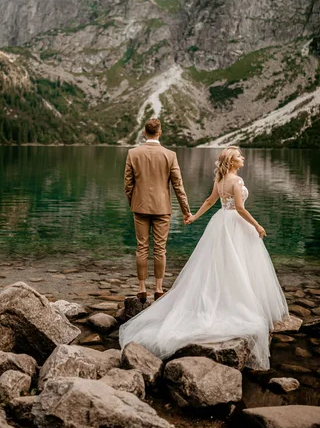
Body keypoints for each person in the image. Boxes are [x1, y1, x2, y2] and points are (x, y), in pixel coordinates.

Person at [119, 146, 289, 370]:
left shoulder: (221, 181)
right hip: (235, 225)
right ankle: (238, 302)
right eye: (239, 156)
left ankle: (224, 298)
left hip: (220, 223)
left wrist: (193, 217)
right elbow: (239, 208)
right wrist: (257, 225)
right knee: (239, 265)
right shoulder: (236, 182)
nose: (243, 157)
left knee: (221, 265)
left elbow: (210, 202)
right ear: (231, 161)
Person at [124, 118, 191, 302]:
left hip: (140, 207)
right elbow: (178, 185)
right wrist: (186, 210)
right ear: (159, 132)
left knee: (141, 247)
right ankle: (159, 289)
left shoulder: (133, 153)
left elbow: (128, 184)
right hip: (162, 208)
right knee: (160, 249)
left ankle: (141, 288)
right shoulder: (170, 155)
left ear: (145, 132)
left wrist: (134, 202)